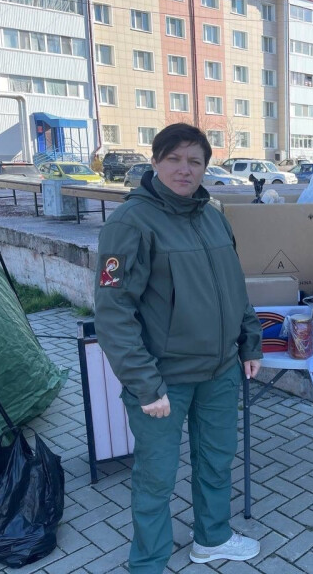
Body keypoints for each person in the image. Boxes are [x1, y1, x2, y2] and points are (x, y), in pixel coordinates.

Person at [94, 123, 263, 573]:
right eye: (173, 158)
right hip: (164, 380)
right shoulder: (130, 223)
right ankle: (147, 563)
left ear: (206, 167)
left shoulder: (214, 216)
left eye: (195, 161)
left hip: (220, 371)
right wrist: (145, 384)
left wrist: (250, 342)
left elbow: (235, 288)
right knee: (156, 477)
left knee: (216, 462)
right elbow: (113, 312)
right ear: (155, 162)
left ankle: (212, 538)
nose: (184, 169)